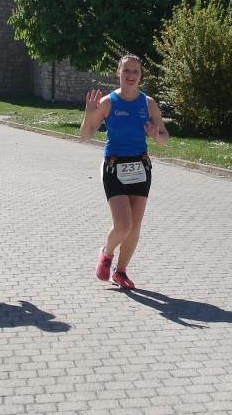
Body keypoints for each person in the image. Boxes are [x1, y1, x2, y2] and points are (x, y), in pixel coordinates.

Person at [80, 54, 169, 290]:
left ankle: (120, 272)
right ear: (118, 73)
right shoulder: (108, 102)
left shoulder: (148, 103)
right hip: (114, 167)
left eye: (135, 71)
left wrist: (155, 135)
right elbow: (85, 136)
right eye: (126, 70)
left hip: (141, 167)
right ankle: (106, 253)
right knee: (123, 225)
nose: (130, 75)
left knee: (134, 226)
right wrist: (89, 113)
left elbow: (164, 138)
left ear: (141, 75)